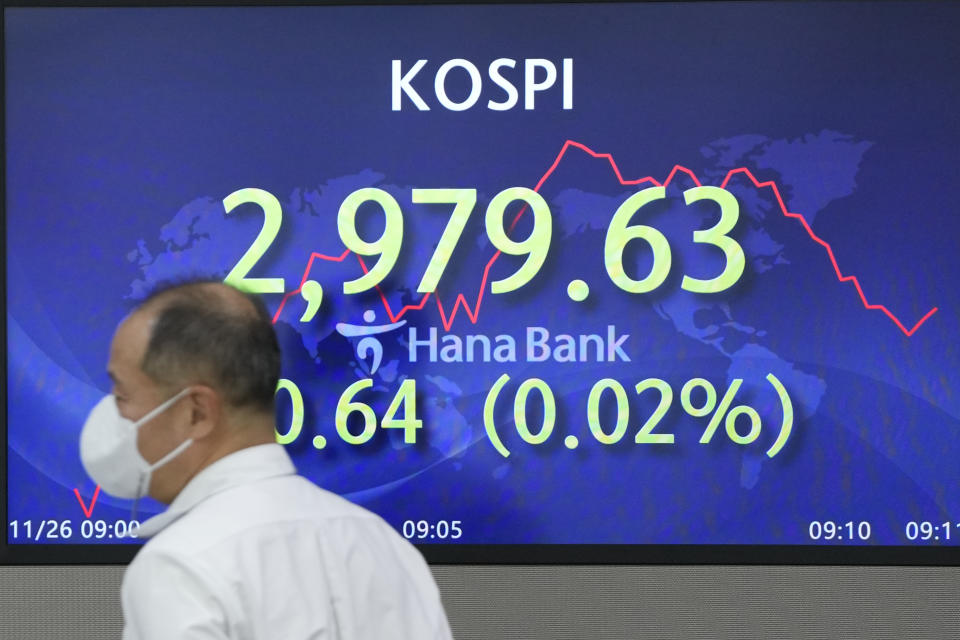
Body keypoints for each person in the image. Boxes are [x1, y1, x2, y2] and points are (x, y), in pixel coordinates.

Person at [79, 280, 454, 639]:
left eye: (123, 394)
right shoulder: (389, 549)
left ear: (196, 413)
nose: (113, 413)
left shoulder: (180, 568)